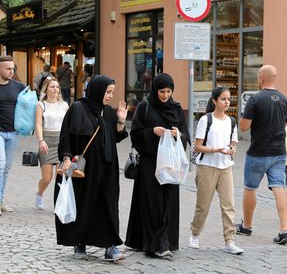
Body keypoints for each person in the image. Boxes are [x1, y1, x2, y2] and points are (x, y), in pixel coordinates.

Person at [55, 75, 128, 261]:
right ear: (97, 90)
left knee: (109, 206)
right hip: (85, 169)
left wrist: (121, 121)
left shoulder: (108, 112)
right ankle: (80, 244)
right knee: (84, 205)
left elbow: (115, 138)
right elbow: (66, 136)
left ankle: (110, 247)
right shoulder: (78, 109)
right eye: (108, 92)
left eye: (112, 92)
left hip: (108, 168)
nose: (110, 96)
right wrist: (65, 157)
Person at [125, 73, 190, 258]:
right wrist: (151, 131)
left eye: (169, 91)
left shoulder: (176, 109)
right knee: (152, 203)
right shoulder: (145, 106)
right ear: (155, 90)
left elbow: (185, 136)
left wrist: (178, 134)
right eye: (162, 91)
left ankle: (164, 241)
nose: (165, 95)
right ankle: (155, 245)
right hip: (150, 164)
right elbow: (135, 134)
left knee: (167, 203)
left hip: (170, 164)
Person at [235, 65, 287, 245]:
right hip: (278, 152)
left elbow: (243, 127)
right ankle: (284, 229)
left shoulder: (255, 99)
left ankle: (247, 226)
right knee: (279, 187)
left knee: (250, 188)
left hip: (258, 152)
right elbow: (285, 124)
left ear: (261, 79)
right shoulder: (284, 99)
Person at [188, 86, 243, 255]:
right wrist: (216, 150)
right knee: (203, 205)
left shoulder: (232, 121)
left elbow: (233, 143)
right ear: (214, 101)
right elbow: (197, 146)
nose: (227, 102)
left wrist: (232, 149)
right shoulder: (206, 120)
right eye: (223, 99)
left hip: (225, 166)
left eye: (228, 99)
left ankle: (229, 240)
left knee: (228, 205)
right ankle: (195, 234)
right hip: (207, 167)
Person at [34, 77, 69, 209]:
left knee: (60, 176)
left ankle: (59, 204)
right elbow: (38, 125)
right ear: (46, 89)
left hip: (62, 142)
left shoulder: (64, 105)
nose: (55, 89)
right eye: (52, 87)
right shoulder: (41, 105)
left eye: (57, 87)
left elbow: (68, 125)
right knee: (47, 178)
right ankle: (40, 193)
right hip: (47, 142)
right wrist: (41, 141)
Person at [0, 55, 26, 215]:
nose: (11, 71)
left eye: (13, 69)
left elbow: (29, 106)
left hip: (13, 133)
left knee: (6, 168)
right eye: (8, 68)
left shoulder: (19, 87)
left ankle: (1, 201)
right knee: (0, 164)